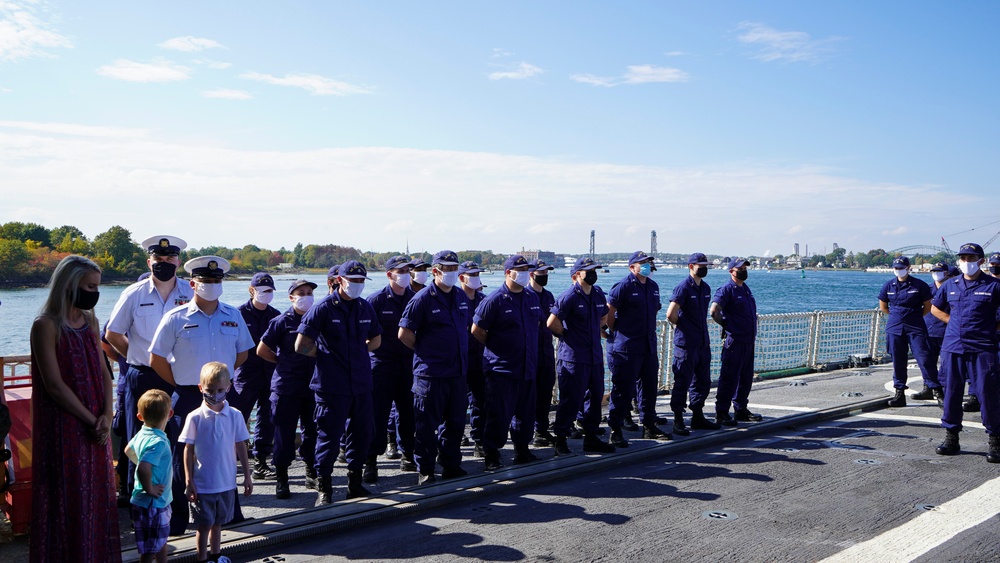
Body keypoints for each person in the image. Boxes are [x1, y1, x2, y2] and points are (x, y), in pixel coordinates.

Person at [149, 255, 254, 535]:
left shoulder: (233, 315)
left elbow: (242, 353)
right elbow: (156, 357)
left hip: (221, 396)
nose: (212, 285)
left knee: (224, 453)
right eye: (206, 281)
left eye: (216, 280)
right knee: (182, 455)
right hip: (188, 395)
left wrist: (222, 379)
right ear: (193, 284)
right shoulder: (175, 317)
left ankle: (231, 515)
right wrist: (180, 383)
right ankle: (180, 519)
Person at [28, 255, 121, 562]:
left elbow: (104, 371)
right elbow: (53, 385)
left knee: (94, 497)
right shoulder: (45, 326)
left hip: (96, 426)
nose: (95, 292)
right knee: (66, 497)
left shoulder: (90, 321)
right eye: (90, 286)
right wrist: (92, 419)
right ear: (70, 285)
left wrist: (107, 415)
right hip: (64, 427)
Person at [107, 235, 192, 496]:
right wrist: (134, 356)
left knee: (178, 439)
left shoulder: (190, 293)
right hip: (142, 376)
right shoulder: (133, 294)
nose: (164, 262)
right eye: (159, 258)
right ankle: (140, 502)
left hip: (178, 378)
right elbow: (112, 334)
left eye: (169, 258)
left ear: (178, 261)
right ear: (149, 260)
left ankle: (174, 500)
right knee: (141, 440)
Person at [295, 260, 382, 503]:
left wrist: (360, 353)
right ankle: (325, 487)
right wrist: (327, 356)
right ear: (339, 281)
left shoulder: (365, 307)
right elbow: (301, 345)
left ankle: (355, 483)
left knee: (361, 433)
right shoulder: (323, 308)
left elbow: (376, 339)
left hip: (361, 383)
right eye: (353, 281)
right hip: (331, 385)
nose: (357, 285)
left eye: (361, 281)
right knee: (329, 437)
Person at [399, 250, 472, 484]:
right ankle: (426, 469)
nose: (451, 272)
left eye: (454, 268)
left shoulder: (461, 297)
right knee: (426, 424)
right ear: (435, 271)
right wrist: (426, 352)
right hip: (430, 374)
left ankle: (451, 464)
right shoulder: (422, 299)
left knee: (456, 421)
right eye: (447, 269)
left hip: (457, 372)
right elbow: (404, 333)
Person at [931, 243, 1000, 462]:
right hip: (953, 347)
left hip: (982, 347)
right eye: (963, 258)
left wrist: (990, 329)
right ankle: (952, 437)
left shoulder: (993, 285)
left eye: (971, 258)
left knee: (987, 393)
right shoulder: (951, 284)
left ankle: (995, 440)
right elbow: (935, 308)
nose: (966, 262)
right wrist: (951, 323)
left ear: (981, 261)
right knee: (951, 392)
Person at [472, 255, 542, 470]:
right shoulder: (494, 300)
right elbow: (477, 330)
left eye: (525, 269)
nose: (523, 272)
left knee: (525, 413)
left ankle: (522, 450)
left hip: (527, 366)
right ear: (508, 272)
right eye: (519, 269)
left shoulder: (531, 298)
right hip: (501, 368)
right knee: (499, 414)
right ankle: (491, 453)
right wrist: (498, 348)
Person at [179, 362, 252, 563]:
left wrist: (247, 476)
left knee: (218, 523)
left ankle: (216, 555)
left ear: (229, 387)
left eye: (220, 390)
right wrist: (189, 480)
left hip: (226, 482)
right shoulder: (194, 417)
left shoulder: (235, 415)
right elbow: (188, 449)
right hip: (202, 484)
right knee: (203, 525)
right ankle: (202, 559)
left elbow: (241, 446)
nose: (215, 394)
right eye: (210, 390)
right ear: (201, 388)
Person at [546, 257, 616, 455]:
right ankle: (561, 439)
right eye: (589, 270)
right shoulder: (569, 296)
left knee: (595, 398)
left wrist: (599, 327)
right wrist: (567, 336)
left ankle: (591, 437)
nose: (593, 273)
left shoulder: (597, 294)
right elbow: (552, 322)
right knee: (571, 399)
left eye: (594, 269)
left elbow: (604, 315)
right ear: (578, 274)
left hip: (593, 355)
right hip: (573, 357)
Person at [258, 279, 319, 499]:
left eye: (310, 292)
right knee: (284, 434)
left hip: (313, 385)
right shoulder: (281, 321)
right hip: (287, 386)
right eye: (301, 292)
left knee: (312, 431)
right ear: (291, 297)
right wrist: (281, 362)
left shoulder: (318, 319)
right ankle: (282, 477)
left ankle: (311, 470)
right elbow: (262, 350)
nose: (306, 296)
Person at [606, 251, 670, 448]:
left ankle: (649, 425)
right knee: (623, 390)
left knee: (649, 388)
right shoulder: (623, 286)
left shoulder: (652, 286)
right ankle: (615, 430)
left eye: (648, 263)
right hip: (627, 346)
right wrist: (617, 332)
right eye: (642, 263)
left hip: (648, 345)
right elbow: (610, 312)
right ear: (632, 267)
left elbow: (655, 310)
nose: (646, 266)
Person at [364, 256, 418, 484]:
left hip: (408, 365)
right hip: (382, 365)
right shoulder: (375, 301)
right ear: (389, 275)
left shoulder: (415, 298)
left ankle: (408, 454)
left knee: (408, 413)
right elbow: (364, 334)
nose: (406, 274)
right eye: (401, 270)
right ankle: (370, 462)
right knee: (377, 414)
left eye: (408, 270)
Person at [230, 272, 281, 480]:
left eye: (270, 290)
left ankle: (260, 461)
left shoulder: (276, 315)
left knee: (267, 419)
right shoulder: (237, 314)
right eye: (262, 290)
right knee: (237, 418)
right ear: (251, 290)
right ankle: (231, 461)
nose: (266, 294)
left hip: (269, 374)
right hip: (245, 375)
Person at [666, 252, 722, 433]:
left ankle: (698, 415)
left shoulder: (705, 288)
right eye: (701, 265)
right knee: (682, 380)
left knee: (703, 381)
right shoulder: (683, 288)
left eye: (706, 265)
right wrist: (684, 327)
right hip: (686, 344)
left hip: (702, 342)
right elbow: (670, 314)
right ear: (691, 267)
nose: (704, 268)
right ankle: (678, 419)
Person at [878, 256, 939, 406]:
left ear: (908, 267)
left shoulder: (919, 285)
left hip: (915, 326)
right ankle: (899, 392)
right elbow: (883, 307)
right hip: (895, 327)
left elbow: (928, 306)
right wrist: (897, 318)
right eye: (896, 268)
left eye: (901, 268)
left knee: (924, 358)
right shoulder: (888, 286)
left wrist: (915, 317)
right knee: (898, 360)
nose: (898, 270)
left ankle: (936, 390)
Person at [710, 257, 760, 426]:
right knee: (729, 376)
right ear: (731, 271)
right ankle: (722, 412)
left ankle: (740, 409)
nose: (743, 271)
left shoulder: (745, 289)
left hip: (748, 340)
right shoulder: (726, 289)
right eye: (740, 268)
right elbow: (714, 311)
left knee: (746, 377)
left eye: (745, 268)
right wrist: (727, 325)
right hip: (735, 340)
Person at [125, 389, 174, 563]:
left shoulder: (142, 433)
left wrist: (141, 463)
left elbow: (128, 451)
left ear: (140, 416)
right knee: (150, 549)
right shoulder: (158, 442)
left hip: (144, 501)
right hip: (155, 503)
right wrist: (150, 488)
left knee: (158, 542)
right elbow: (144, 468)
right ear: (170, 414)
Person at [458, 260, 488, 455]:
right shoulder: (455, 299)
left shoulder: (484, 300)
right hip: (459, 360)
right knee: (457, 403)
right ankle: (457, 436)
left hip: (480, 359)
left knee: (480, 402)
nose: (476, 278)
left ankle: (480, 440)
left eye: (478, 274)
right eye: (472, 275)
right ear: (462, 278)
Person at [527, 260, 558, 447]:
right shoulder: (524, 295)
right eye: (541, 272)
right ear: (532, 274)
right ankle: (524, 433)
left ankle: (542, 429)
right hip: (529, 354)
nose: (544, 275)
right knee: (527, 396)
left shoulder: (548, 296)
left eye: (546, 272)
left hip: (546, 352)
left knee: (545, 393)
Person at [921, 261, 952, 406]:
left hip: (947, 331)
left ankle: (943, 391)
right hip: (928, 330)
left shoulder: (952, 288)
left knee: (946, 364)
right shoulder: (927, 290)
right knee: (927, 361)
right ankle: (928, 387)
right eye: (934, 271)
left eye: (939, 271)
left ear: (946, 273)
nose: (936, 274)